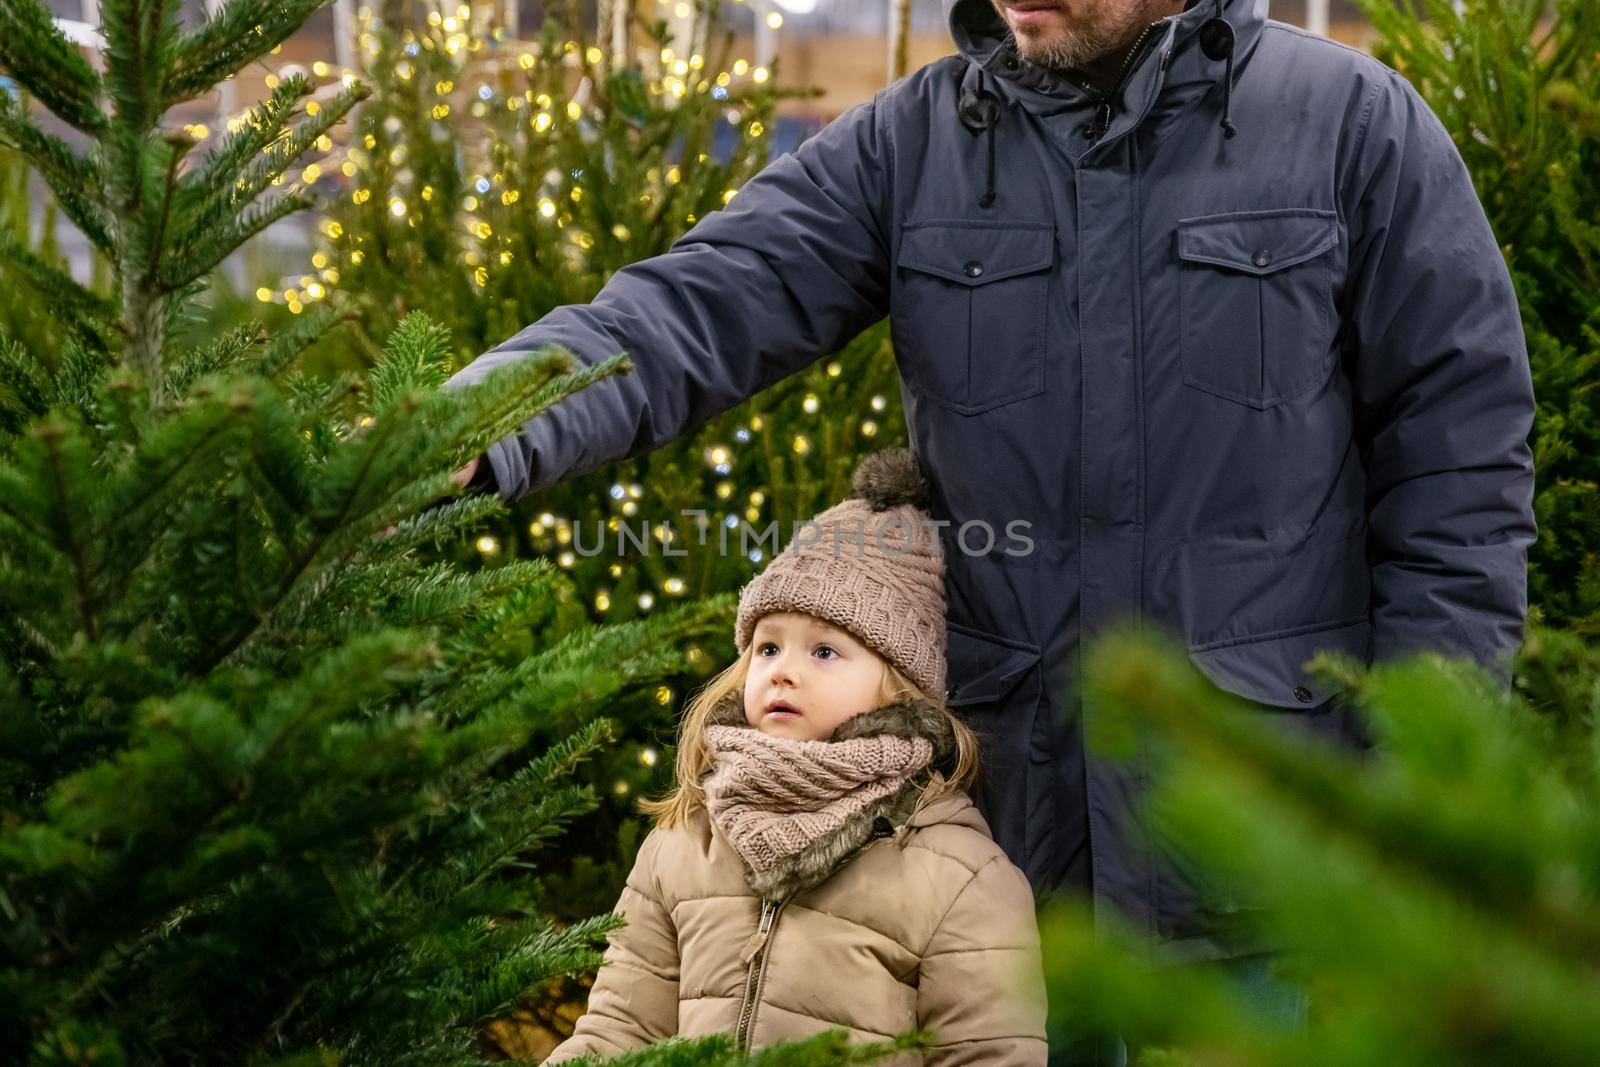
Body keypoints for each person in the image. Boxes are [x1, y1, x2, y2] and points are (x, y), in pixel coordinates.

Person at [447, 0, 1537, 1061]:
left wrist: (1418, 791)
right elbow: (694, 304)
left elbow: (1460, 472)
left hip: (1262, 856)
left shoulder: (1351, 123)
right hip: (1003, 862)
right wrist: (468, 426)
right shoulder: (915, 141)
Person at [542, 449, 1048, 1064]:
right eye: (768, 647)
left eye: (825, 651)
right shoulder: (684, 842)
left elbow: (989, 1055)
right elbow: (617, 1033)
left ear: (899, 683)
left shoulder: (960, 876)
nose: (783, 671)